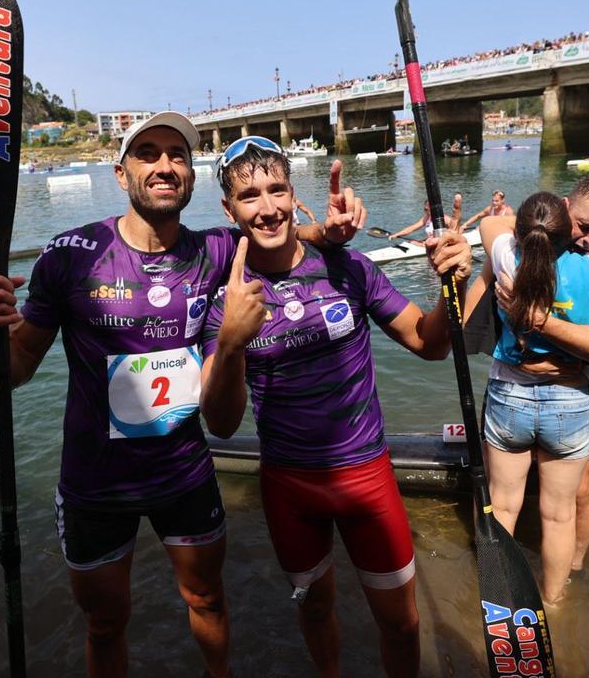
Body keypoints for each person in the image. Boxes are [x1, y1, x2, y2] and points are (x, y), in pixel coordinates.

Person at [0, 117, 365, 678]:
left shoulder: (215, 250)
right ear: (120, 172)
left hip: (185, 475)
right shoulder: (72, 254)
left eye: (178, 155)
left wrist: (332, 233)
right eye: (148, 154)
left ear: (191, 175)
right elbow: (15, 369)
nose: (165, 166)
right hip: (95, 485)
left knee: (208, 600)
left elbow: (276, 234)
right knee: (105, 624)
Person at [199, 137, 472, 677]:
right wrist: (229, 343)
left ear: (293, 195)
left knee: (402, 623)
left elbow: (430, 343)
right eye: (249, 196)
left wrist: (452, 287)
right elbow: (223, 425)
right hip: (289, 485)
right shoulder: (227, 297)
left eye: (277, 190)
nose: (268, 208)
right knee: (316, 609)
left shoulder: (347, 268)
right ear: (229, 210)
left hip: (366, 474)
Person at [466, 175, 589, 604]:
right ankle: (555, 603)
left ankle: (498, 597)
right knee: (560, 515)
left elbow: (491, 225)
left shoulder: (507, 255)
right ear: (564, 211)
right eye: (585, 227)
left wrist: (536, 318)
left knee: (502, 505)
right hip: (570, 399)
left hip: (510, 396)